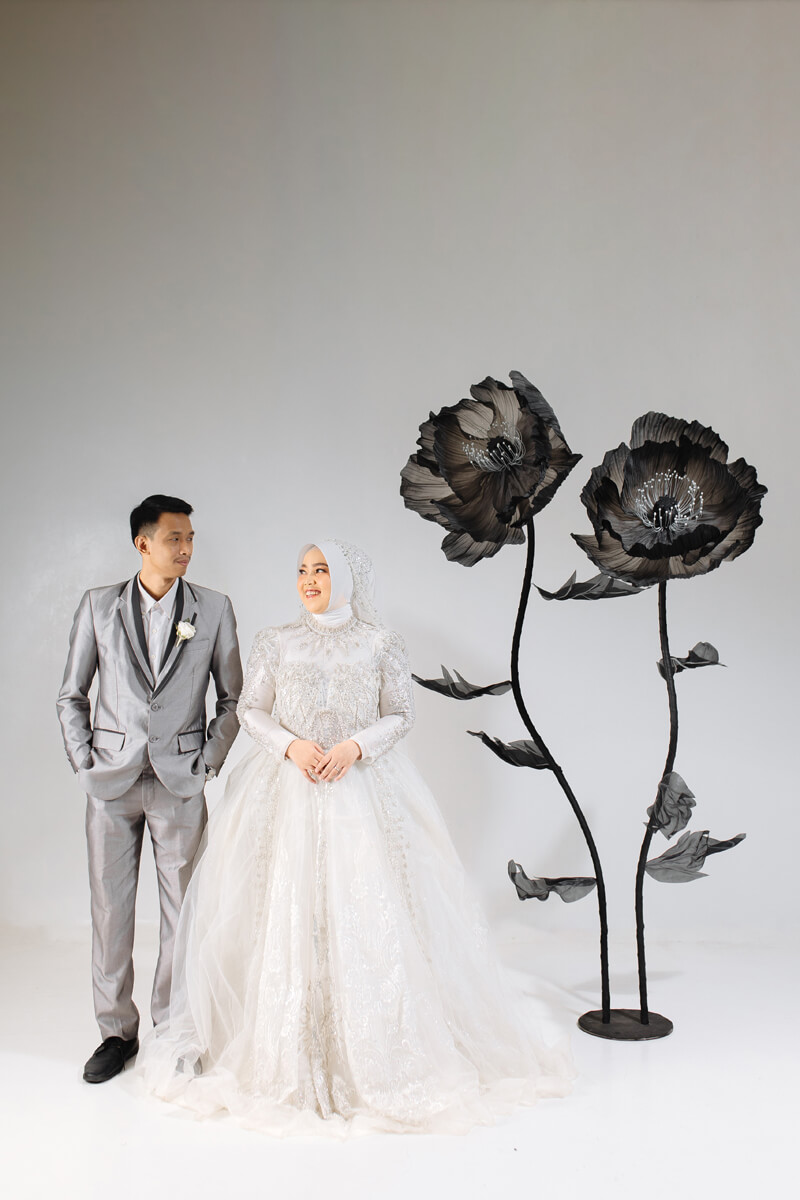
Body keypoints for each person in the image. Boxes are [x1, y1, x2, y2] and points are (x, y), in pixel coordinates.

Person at [137, 540, 571, 1135]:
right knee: (280, 908)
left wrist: (354, 747)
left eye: (321, 571)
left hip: (360, 790)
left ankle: (373, 1048)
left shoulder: (380, 642)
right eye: (302, 570)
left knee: (367, 911)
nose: (309, 581)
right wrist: (291, 746)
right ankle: (280, 1045)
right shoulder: (276, 640)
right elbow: (251, 708)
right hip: (284, 789)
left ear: (344, 578)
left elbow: (401, 714)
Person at [57, 495, 243, 1084]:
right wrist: (84, 762)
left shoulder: (214, 608)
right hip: (110, 783)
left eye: (190, 539)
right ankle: (117, 1033)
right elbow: (71, 695)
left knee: (182, 913)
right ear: (143, 544)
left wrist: (207, 762)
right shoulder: (98, 606)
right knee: (109, 911)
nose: (186, 549)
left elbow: (233, 699)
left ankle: (174, 1030)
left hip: (179, 782)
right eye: (174, 539)